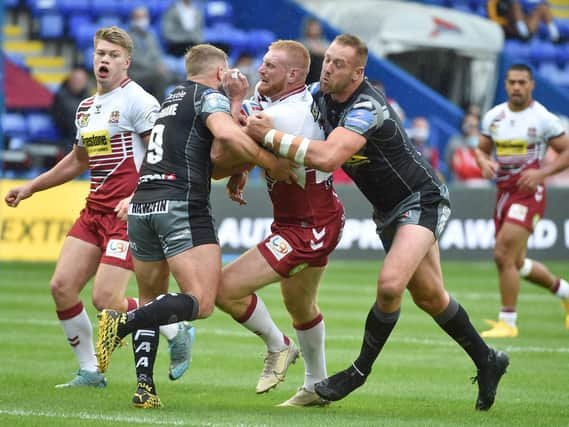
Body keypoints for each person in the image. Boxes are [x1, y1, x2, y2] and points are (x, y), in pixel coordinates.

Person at [246, 33, 509, 411]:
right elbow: (274, 103)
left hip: (421, 200)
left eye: (338, 64)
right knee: (431, 296)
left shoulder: (366, 107)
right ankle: (488, 360)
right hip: (388, 212)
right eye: (328, 59)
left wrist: (268, 136)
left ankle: (357, 372)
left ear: (357, 73)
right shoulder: (321, 95)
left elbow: (328, 158)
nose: (328, 68)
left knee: (389, 286)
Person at [95, 44, 296, 408]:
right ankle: (119, 323)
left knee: (151, 300)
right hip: (180, 203)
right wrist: (271, 163)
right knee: (201, 302)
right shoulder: (208, 97)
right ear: (220, 74)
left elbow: (212, 155)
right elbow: (229, 137)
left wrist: (236, 161)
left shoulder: (171, 99)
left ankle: (145, 389)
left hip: (142, 206)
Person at [4, 26, 194, 389]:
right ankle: (90, 371)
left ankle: (174, 325)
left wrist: (137, 197)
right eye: (100, 54)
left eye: (112, 55)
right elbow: (77, 162)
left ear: (127, 62)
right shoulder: (87, 107)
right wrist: (31, 187)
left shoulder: (139, 101)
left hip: (128, 215)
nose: (104, 60)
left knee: (106, 298)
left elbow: (161, 157)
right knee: (61, 286)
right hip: (94, 213)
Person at [216, 40, 345, 407]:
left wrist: (235, 101)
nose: (260, 70)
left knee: (226, 289)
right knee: (300, 305)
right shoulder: (271, 97)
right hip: (306, 216)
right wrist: (244, 169)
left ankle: (279, 345)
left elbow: (229, 146)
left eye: (270, 65)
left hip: (309, 226)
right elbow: (252, 148)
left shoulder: (293, 115)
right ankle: (316, 387)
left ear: (292, 75)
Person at [475, 63, 569, 338]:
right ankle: (565, 292)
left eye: (522, 82)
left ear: (531, 85)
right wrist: (484, 162)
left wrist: (542, 173)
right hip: (504, 193)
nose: (517, 87)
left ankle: (509, 322)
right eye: (512, 82)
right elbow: (481, 149)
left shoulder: (543, 118)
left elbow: (566, 152)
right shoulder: (494, 117)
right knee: (516, 262)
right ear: (505, 85)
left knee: (502, 254)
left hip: (529, 193)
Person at [127, 5, 175, 102]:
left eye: (144, 17)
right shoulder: (128, 37)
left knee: (177, 76)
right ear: (133, 19)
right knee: (159, 78)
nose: (143, 20)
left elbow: (157, 54)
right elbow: (135, 59)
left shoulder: (151, 35)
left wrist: (161, 64)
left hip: (153, 70)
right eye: (139, 17)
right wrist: (155, 67)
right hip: (137, 74)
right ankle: (161, 108)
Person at [50, 66, 91, 153]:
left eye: (80, 80)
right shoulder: (61, 97)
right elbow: (62, 121)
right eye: (75, 79)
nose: (77, 83)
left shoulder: (89, 98)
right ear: (70, 80)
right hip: (67, 139)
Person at [487, 0, 560, 42]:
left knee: (543, 7)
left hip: (525, 26)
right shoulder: (494, 1)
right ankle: (523, 33)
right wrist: (504, 24)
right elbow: (493, 17)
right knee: (515, 5)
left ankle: (555, 35)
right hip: (508, 27)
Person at [445, 113, 484, 182]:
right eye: (467, 123)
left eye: (472, 125)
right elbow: (448, 162)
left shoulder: (483, 143)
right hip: (458, 182)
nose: (469, 127)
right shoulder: (454, 141)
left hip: (478, 183)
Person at [299, 17, 329, 85]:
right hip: (307, 76)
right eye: (312, 27)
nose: (314, 29)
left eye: (316, 27)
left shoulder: (324, 43)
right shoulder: (303, 42)